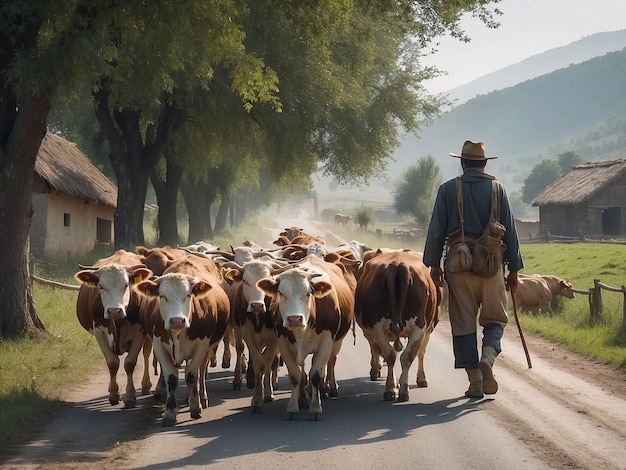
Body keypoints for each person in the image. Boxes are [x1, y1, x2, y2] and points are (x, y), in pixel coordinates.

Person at [423, 140, 524, 398]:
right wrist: (514, 270)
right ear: (486, 163)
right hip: (491, 266)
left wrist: (433, 265)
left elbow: (436, 231)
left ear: (462, 162)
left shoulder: (447, 190)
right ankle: (488, 357)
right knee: (496, 319)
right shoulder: (498, 189)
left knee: (463, 324)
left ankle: (475, 382)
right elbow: (510, 232)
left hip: (458, 267)